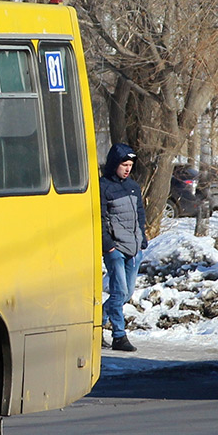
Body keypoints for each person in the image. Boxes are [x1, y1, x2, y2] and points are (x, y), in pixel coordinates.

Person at [100, 143, 147, 353]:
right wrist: (108, 246)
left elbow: (140, 214)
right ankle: (119, 335)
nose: (127, 169)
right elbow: (100, 219)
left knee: (126, 293)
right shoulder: (103, 187)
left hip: (134, 248)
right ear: (114, 164)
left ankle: (97, 321)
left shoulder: (133, 187)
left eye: (130, 165)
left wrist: (142, 239)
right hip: (115, 249)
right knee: (119, 291)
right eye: (124, 164)